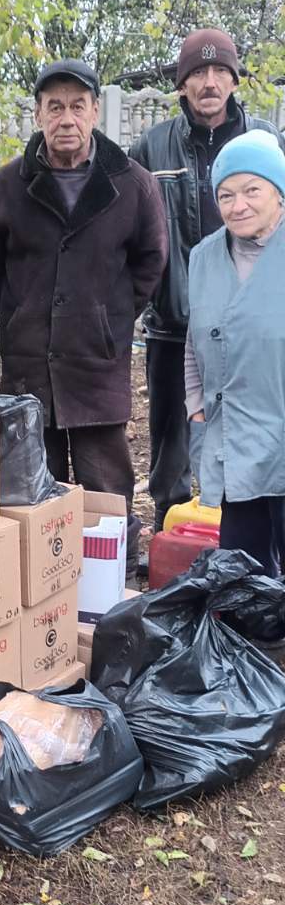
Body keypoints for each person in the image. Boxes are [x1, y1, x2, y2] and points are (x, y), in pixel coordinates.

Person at [0, 58, 168, 574]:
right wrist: (17, 313)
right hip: (30, 362)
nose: (66, 118)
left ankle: (116, 580)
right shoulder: (5, 187)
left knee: (107, 480)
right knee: (38, 481)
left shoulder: (133, 185)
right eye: (54, 107)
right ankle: (44, 582)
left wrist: (112, 316)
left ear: (95, 111)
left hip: (97, 361)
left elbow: (151, 259)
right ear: (37, 114)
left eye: (77, 106)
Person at [130, 28, 285, 530]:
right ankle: (169, 529)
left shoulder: (265, 140)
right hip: (174, 322)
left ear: (235, 80)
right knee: (171, 437)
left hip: (257, 328)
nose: (210, 81)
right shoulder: (152, 148)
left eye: (220, 71)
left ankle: (243, 531)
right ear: (181, 85)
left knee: (259, 433)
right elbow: (126, 229)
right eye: (198, 72)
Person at [186, 131, 285, 575]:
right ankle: (251, 640)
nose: (237, 205)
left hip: (280, 426)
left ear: (278, 193)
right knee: (242, 571)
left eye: (252, 190)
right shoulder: (205, 257)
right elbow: (194, 340)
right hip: (232, 437)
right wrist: (195, 410)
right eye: (225, 194)